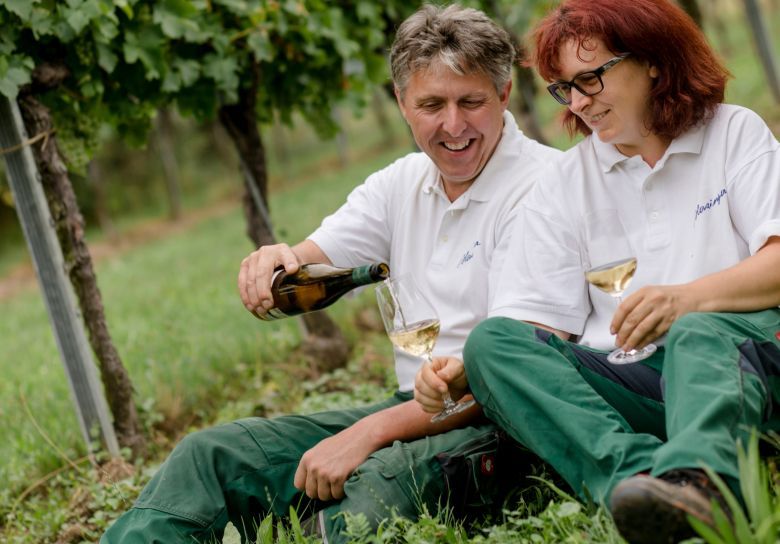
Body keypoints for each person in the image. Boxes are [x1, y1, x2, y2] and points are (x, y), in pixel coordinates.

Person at [101, 4, 561, 543]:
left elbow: (514, 371)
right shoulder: (401, 183)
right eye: (431, 104)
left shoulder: (545, 188)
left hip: (502, 422)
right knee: (210, 457)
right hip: (413, 410)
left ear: (504, 96)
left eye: (472, 102)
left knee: (372, 490)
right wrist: (277, 259)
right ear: (401, 103)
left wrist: (367, 433)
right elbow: (313, 258)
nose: (453, 125)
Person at [414, 1, 780, 543]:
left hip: (743, 363)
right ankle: (642, 482)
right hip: (639, 382)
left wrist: (687, 300)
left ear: (652, 61)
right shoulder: (567, 183)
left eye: (592, 79)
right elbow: (532, 330)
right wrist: (464, 371)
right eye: (566, 88)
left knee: (698, 333)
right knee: (490, 343)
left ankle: (704, 481)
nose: (580, 102)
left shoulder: (731, 134)